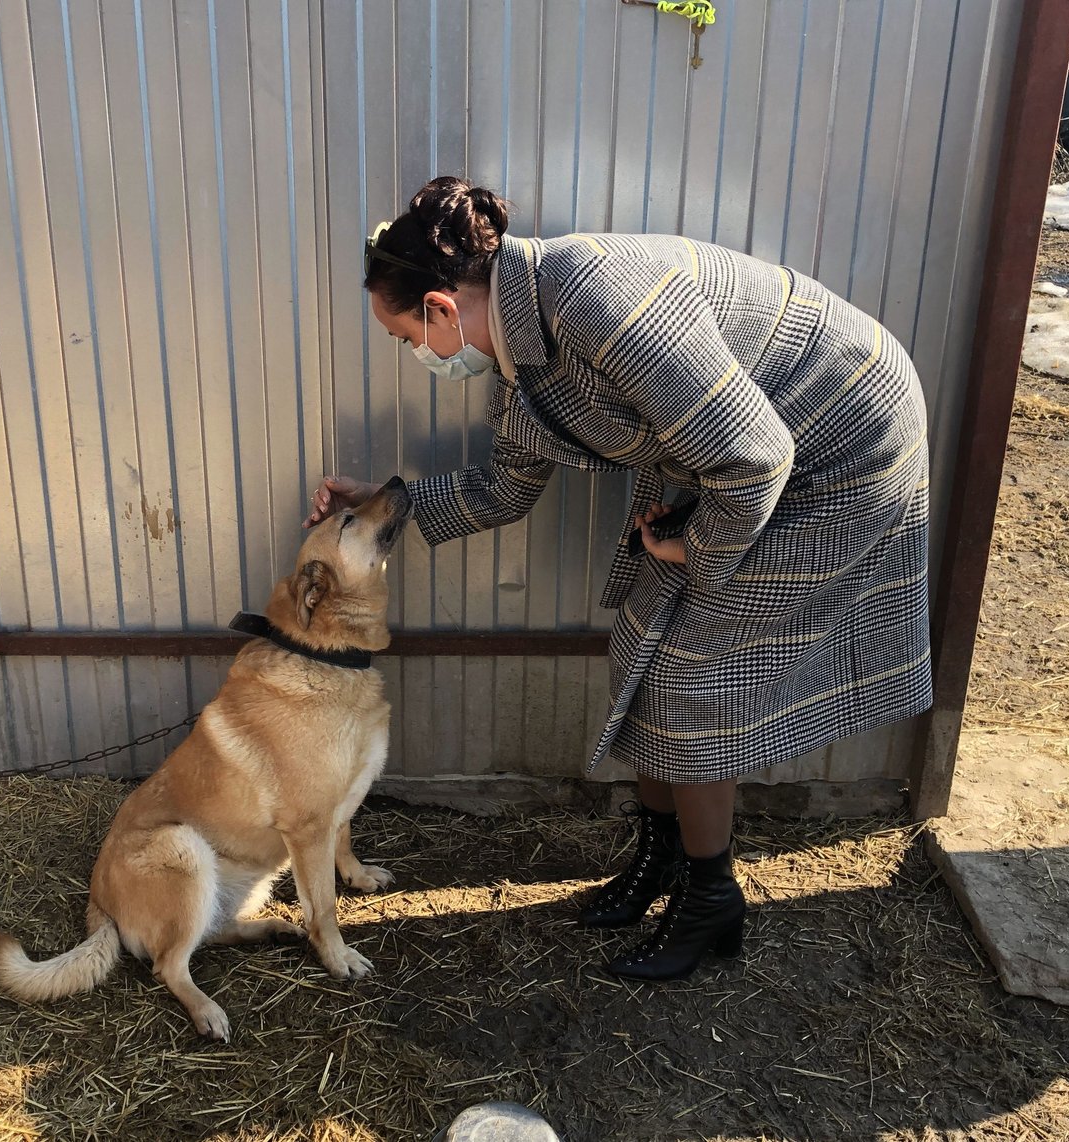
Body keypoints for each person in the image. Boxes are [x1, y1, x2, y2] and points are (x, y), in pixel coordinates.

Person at [306, 176, 933, 981]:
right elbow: (502, 489)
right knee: (644, 637)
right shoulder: (521, 360)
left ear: (440, 308)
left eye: (404, 339)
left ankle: (711, 901)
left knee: (693, 678)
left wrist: (698, 550)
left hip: (841, 447)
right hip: (754, 464)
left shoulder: (599, 299)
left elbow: (755, 456)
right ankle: (662, 859)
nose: (416, 356)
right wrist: (385, 503)